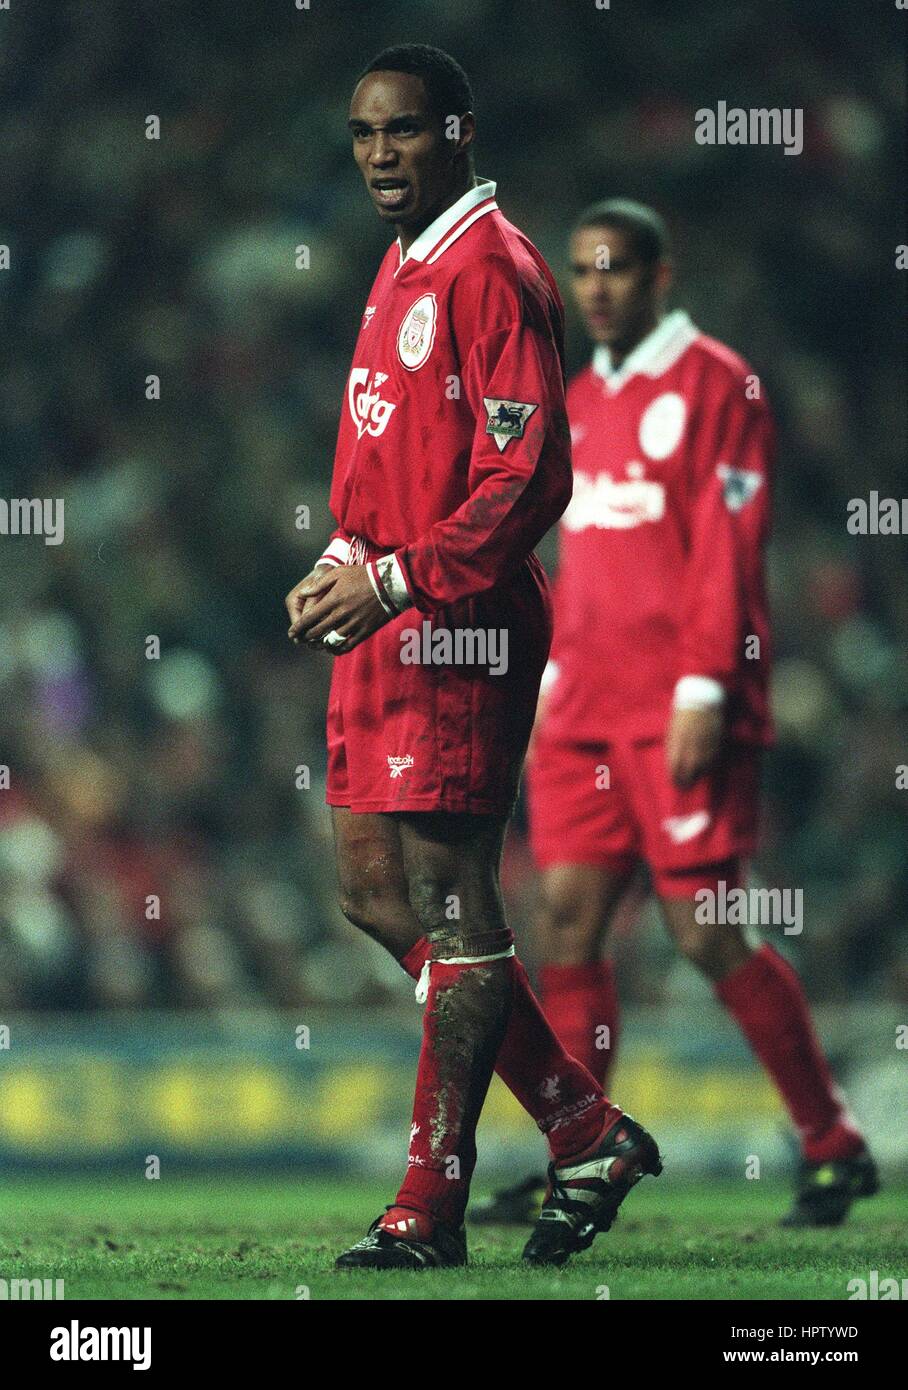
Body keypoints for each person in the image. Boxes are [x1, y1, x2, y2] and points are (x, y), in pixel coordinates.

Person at [285, 52, 661, 1270]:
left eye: (401, 132)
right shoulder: (401, 264)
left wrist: (394, 577)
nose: (380, 155)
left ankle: (425, 1206)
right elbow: (380, 452)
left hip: (457, 619)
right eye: (362, 136)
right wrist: (342, 551)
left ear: (455, 133)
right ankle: (582, 1126)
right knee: (372, 893)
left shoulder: (494, 269)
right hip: (385, 608)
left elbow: (528, 476)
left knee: (454, 906)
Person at [473, 199, 878, 1230]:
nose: (595, 286)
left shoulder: (717, 383)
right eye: (580, 269)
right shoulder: (573, 397)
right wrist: (549, 676)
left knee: (702, 930)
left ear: (660, 274)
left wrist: (706, 683)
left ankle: (830, 1144)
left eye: (614, 268)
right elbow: (573, 555)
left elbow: (727, 547)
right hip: (582, 709)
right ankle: (581, 1146)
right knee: (564, 922)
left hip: (679, 704)